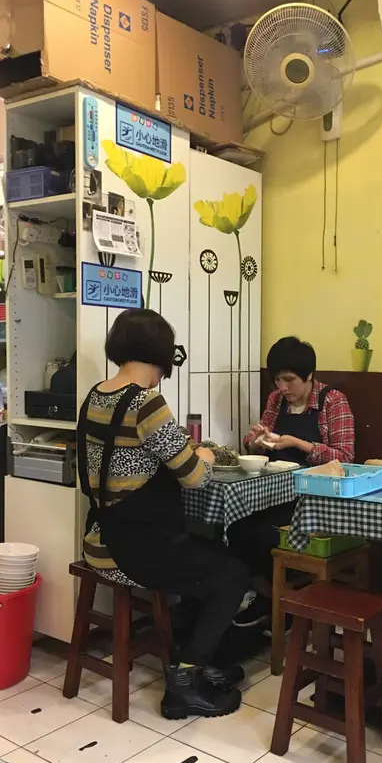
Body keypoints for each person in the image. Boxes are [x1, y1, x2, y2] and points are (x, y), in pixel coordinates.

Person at [77, 308, 248, 720]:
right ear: (161, 355)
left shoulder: (96, 394)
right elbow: (195, 477)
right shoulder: (146, 402)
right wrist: (205, 455)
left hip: (100, 536)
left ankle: (198, 660)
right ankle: (184, 684)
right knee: (232, 574)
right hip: (135, 550)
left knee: (207, 560)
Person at [228, 336, 355, 627]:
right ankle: (270, 599)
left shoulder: (332, 401)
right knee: (233, 526)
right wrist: (256, 441)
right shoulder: (276, 401)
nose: (282, 388)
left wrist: (300, 444)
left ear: (309, 376)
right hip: (273, 493)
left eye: (289, 380)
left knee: (258, 533)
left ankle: (280, 604)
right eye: (277, 380)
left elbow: (346, 458)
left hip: (314, 501)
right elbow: (261, 445)